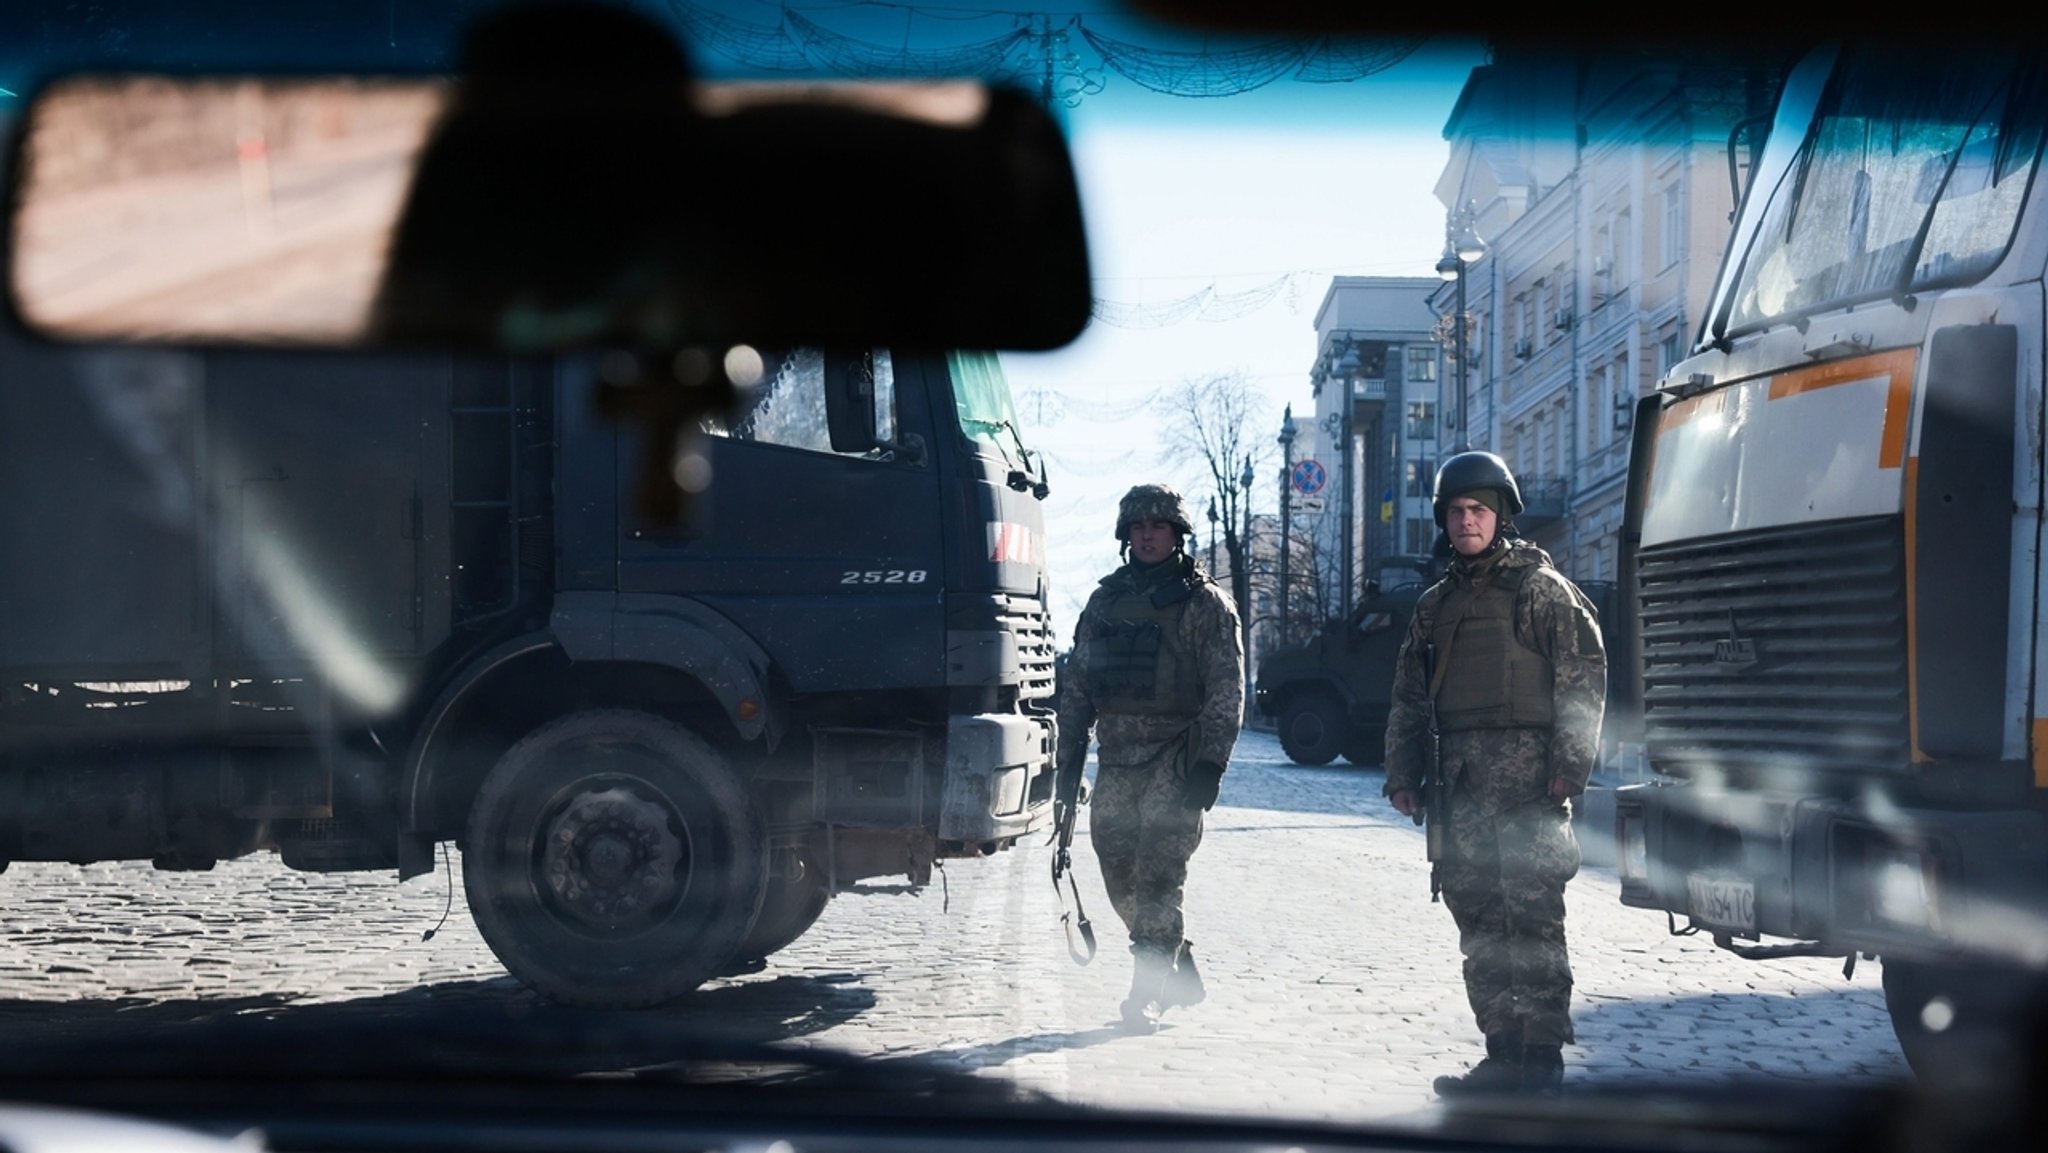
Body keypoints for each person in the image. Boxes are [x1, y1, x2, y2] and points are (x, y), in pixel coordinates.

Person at [1382, 452, 1606, 1096]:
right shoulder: (1434, 605)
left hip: (1531, 786)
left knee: (1532, 918)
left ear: (1500, 515)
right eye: (1455, 512)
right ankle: (1502, 1051)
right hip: (1460, 791)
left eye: (1477, 510)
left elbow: (1583, 679)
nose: (1466, 521)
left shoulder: (1541, 591)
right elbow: (1408, 695)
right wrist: (1404, 774)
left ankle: (1542, 1060)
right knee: (1477, 918)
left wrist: (1570, 767)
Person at [1055, 483, 1245, 1032]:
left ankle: (1149, 989)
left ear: (1177, 534)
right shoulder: (1105, 602)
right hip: (1116, 756)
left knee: (1160, 873)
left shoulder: (1205, 603)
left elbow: (1226, 690)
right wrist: (1068, 760)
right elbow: (1079, 687)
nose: (1147, 535)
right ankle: (1175, 960)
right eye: (1138, 528)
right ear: (1125, 536)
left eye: (1158, 527)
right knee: (1119, 871)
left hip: (1176, 755)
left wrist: (1211, 763)